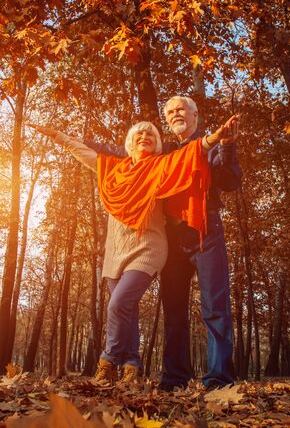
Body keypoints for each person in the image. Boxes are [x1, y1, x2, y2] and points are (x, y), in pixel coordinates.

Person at [28, 119, 232, 385]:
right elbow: (83, 151)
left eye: (151, 134)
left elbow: (190, 154)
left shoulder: (161, 165)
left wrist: (214, 138)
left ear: (157, 142)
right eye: (139, 133)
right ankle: (132, 365)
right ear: (129, 142)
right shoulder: (113, 168)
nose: (144, 136)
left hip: (148, 247)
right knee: (128, 309)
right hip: (116, 250)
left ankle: (108, 359)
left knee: (118, 303)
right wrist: (57, 134)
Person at [83, 100, 241, 391]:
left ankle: (219, 380)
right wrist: (81, 140)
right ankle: (173, 379)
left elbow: (230, 182)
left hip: (206, 230)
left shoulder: (214, 143)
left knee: (215, 308)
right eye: (170, 112)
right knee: (174, 310)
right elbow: (124, 153)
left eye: (182, 109)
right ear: (167, 121)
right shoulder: (164, 151)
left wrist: (228, 146)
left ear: (195, 115)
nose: (176, 114)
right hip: (173, 236)